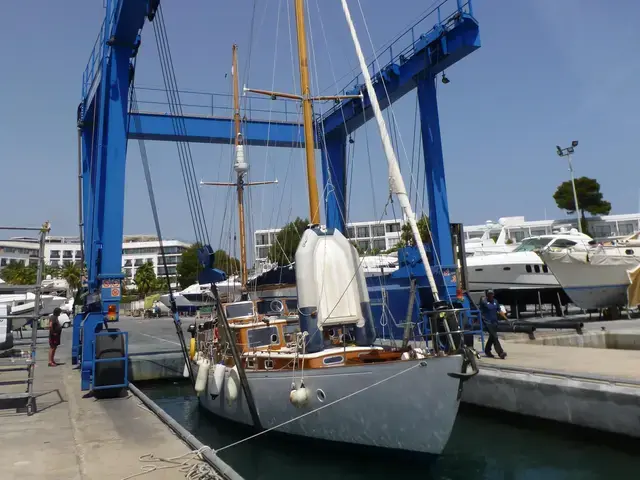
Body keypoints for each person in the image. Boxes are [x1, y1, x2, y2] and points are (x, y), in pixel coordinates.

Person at [479, 290, 508, 359]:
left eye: (492, 294)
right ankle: (500, 352)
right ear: (487, 295)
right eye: (489, 294)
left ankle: (487, 350)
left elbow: (499, 310)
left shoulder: (495, 301)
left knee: (492, 337)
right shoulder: (484, 302)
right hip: (487, 322)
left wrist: (506, 318)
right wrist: (480, 319)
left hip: (494, 322)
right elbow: (480, 311)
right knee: (495, 336)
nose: (491, 295)